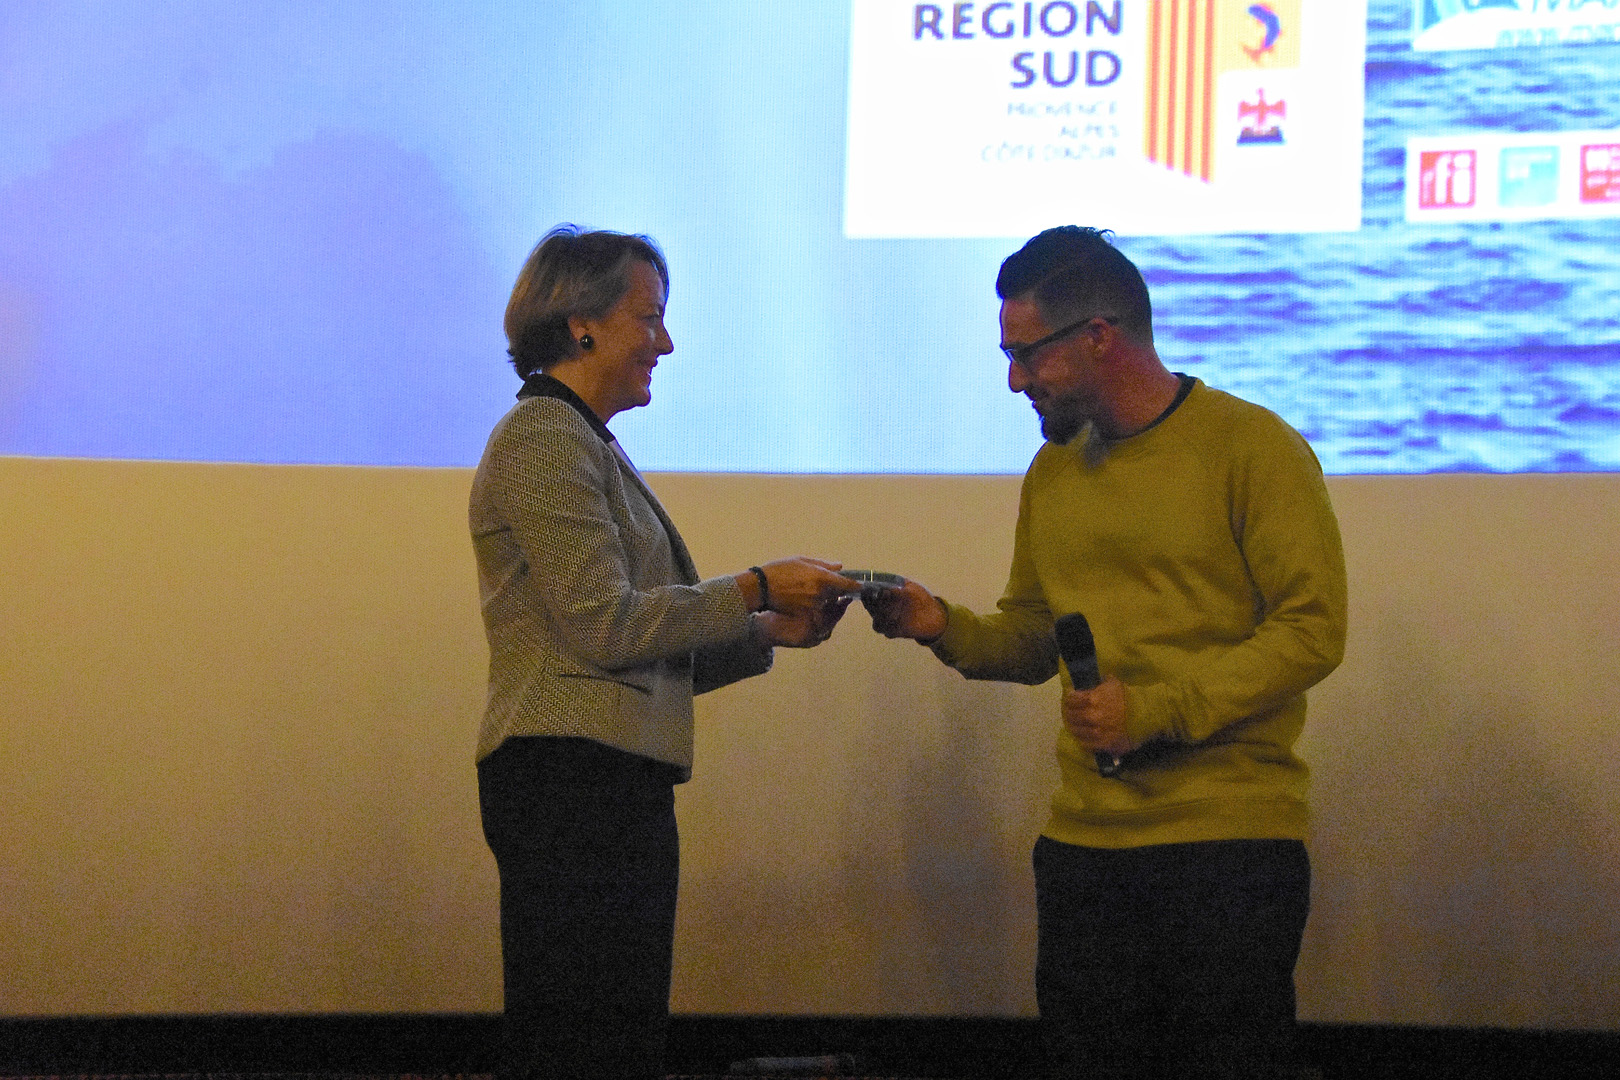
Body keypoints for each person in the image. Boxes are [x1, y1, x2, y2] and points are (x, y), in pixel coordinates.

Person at [866, 226, 1348, 1079]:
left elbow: (1312, 628)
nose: (1015, 380)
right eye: (1008, 356)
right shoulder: (1054, 473)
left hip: (1228, 848)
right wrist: (940, 625)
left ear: (1098, 335)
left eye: (1027, 355)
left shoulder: (1252, 447)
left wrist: (1155, 711)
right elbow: (1033, 636)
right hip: (1084, 853)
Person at [470, 225, 860, 1080]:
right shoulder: (544, 437)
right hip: (571, 783)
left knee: (614, 1036)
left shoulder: (581, 439)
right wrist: (756, 585)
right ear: (581, 325)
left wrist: (768, 629)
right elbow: (607, 627)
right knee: (586, 1044)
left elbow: (628, 648)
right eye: (648, 318)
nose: (666, 343)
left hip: (599, 779)